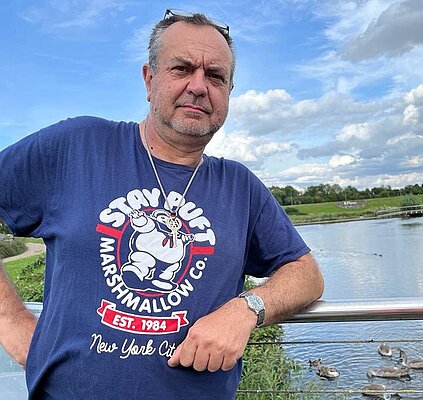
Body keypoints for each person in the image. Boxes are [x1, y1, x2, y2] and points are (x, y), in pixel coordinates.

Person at [0, 10, 324, 399]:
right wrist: (11, 319)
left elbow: (306, 274)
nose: (199, 86)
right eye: (182, 68)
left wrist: (246, 309)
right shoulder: (78, 146)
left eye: (216, 76)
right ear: (149, 79)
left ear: (228, 93)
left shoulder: (240, 186)